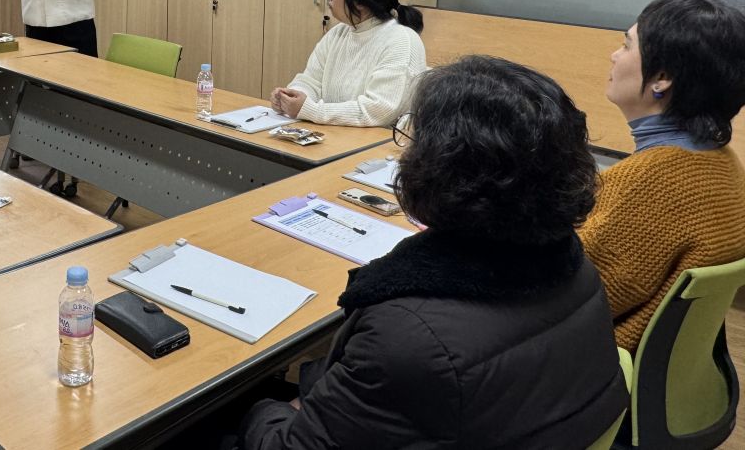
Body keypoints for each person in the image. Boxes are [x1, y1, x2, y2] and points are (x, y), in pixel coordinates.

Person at [240, 56, 628, 449]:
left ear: (444, 170)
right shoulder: (572, 262)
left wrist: (256, 405)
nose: (404, 156)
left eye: (413, 140)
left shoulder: (409, 336)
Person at [580, 0, 745, 352]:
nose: (614, 55)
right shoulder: (723, 162)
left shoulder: (652, 181)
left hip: (596, 371)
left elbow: (569, 297)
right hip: (660, 380)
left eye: (627, 45)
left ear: (662, 78)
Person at [270, 0, 426, 126]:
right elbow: (310, 80)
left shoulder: (401, 40)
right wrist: (291, 96)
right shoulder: (338, 33)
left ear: (359, 2)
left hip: (375, 143)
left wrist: (311, 110)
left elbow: (379, 111)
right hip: (332, 132)